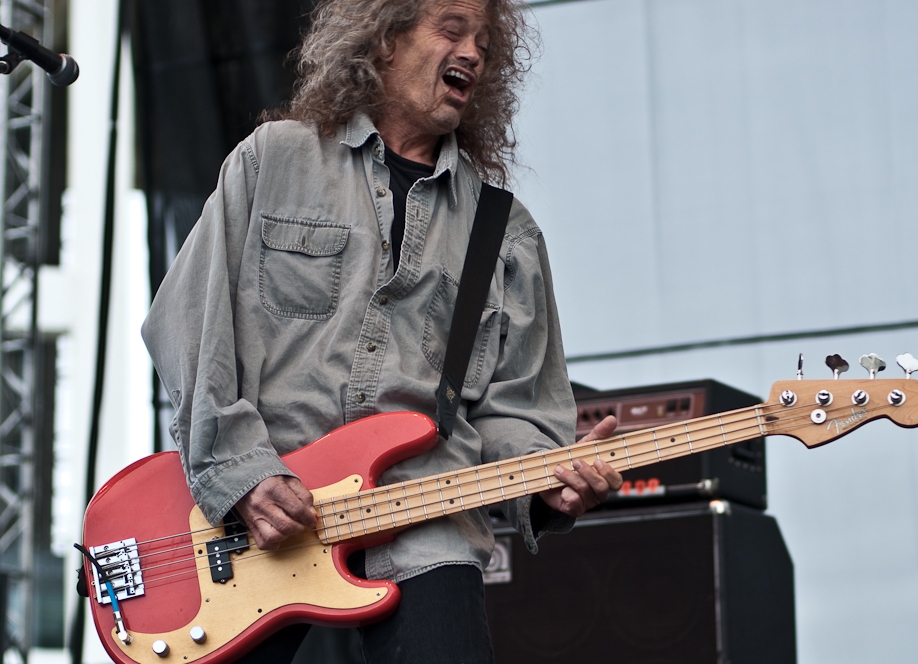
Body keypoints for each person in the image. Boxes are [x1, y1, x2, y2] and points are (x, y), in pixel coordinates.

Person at [141, 0, 622, 661]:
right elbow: (187, 324)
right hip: (261, 512)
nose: (474, 53)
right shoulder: (274, 161)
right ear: (385, 40)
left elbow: (521, 410)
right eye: (452, 29)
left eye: (485, 42)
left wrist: (553, 482)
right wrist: (244, 475)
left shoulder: (504, 232)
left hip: (424, 523)